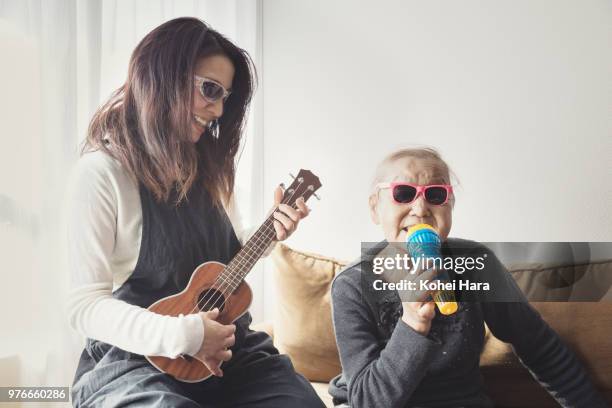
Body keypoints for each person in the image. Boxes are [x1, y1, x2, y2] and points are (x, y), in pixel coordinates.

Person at [65, 17, 324, 408]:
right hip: (137, 362)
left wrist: (270, 232)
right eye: (210, 90)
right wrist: (185, 335)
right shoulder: (101, 174)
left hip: (228, 348)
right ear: (162, 78)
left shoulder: (211, 171)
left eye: (225, 97)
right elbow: (84, 306)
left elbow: (223, 263)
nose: (218, 110)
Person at [328, 148, 606, 407]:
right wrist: (413, 323)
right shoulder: (353, 285)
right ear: (375, 208)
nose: (421, 208)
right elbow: (367, 400)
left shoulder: (476, 264)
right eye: (403, 193)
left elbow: (540, 347)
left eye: (436, 194)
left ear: (450, 206)